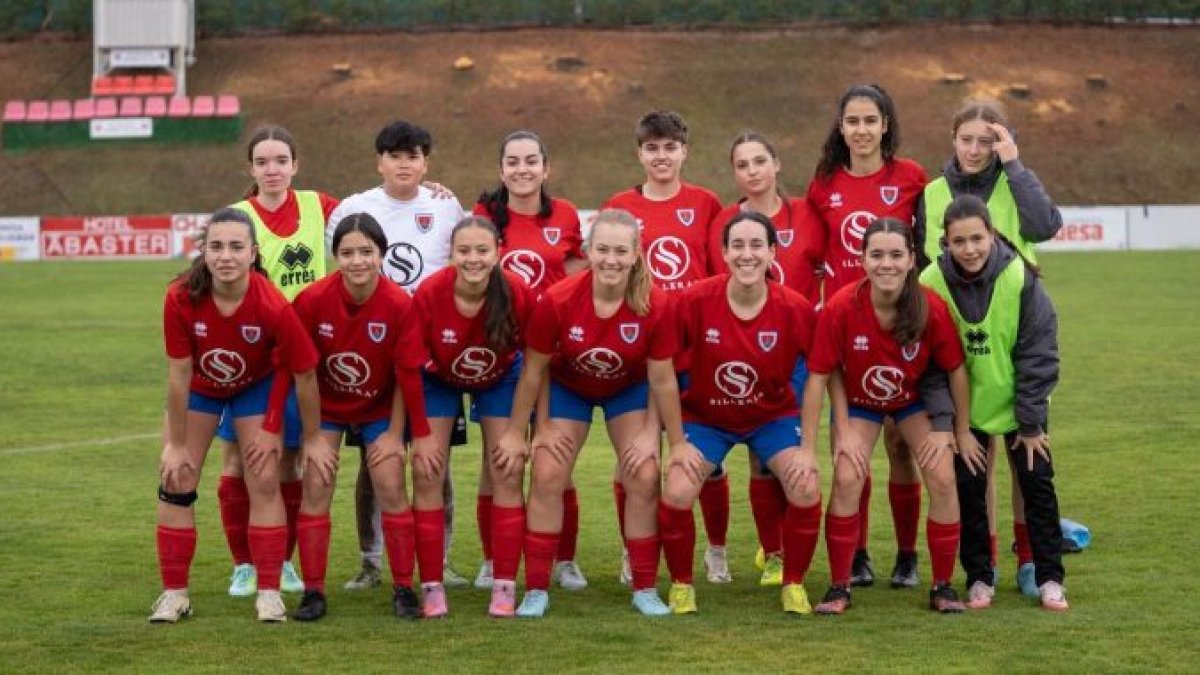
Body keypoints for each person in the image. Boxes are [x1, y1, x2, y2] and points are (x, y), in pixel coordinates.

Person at [494, 209, 685, 618]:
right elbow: (534, 370)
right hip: (569, 390)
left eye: (620, 250)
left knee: (645, 473)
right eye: (602, 250)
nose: (611, 259)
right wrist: (528, 429)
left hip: (627, 391)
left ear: (636, 253)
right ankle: (538, 589)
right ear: (588, 251)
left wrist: (660, 434)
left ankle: (645, 587)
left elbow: (663, 380)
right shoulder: (559, 299)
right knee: (546, 472)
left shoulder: (656, 303)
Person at [915, 100, 1064, 594]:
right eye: (967, 139)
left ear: (1002, 141)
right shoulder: (932, 193)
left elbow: (1044, 226)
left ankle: (1029, 561)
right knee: (977, 459)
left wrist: (1015, 163)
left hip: (1013, 324)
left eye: (987, 140)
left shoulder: (1013, 182)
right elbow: (923, 264)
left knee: (1026, 452)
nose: (976, 149)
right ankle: (988, 561)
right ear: (952, 139)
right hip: (956, 329)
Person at [151, 208, 326, 623]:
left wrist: (309, 435)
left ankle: (268, 592)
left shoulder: (272, 305)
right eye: (215, 246)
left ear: (252, 254)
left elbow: (304, 374)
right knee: (176, 477)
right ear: (203, 252)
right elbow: (179, 373)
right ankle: (174, 594)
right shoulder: (179, 297)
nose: (225, 256)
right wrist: (175, 445)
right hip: (201, 389)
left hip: (255, 388)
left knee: (263, 476)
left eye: (235, 247)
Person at [327, 120, 473, 592]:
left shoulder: (446, 205)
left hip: (434, 358)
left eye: (413, 155)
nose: (404, 163)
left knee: (435, 463)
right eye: (395, 155)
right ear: (379, 161)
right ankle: (371, 561)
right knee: (375, 462)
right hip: (373, 357)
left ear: (426, 162)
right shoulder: (355, 208)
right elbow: (346, 273)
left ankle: (440, 557)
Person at [801, 218, 974, 615]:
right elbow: (818, 378)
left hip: (911, 403)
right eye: (876, 255)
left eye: (896, 254)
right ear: (862, 259)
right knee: (847, 476)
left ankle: (943, 586)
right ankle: (840, 585)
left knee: (944, 476)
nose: (886, 264)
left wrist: (957, 430)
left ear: (912, 259)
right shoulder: (842, 306)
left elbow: (955, 369)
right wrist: (819, 443)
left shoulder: (929, 306)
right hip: (860, 403)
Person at [660, 211, 822, 614]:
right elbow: (660, 364)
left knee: (805, 486)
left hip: (772, 418)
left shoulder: (796, 308)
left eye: (756, 246)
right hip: (706, 419)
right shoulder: (693, 301)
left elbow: (819, 374)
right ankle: (682, 585)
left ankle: (793, 584)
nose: (746, 255)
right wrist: (676, 442)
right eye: (737, 246)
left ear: (772, 253)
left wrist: (809, 447)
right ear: (723, 253)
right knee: (677, 490)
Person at [806, 84, 929, 589]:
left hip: (900, 330)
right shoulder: (824, 184)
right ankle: (856, 555)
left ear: (885, 126)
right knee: (850, 449)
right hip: (845, 332)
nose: (861, 130)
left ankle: (905, 554)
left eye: (870, 120)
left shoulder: (911, 178)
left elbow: (926, 248)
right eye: (852, 121)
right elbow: (814, 256)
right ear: (841, 127)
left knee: (901, 446)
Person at [603, 110, 731, 585]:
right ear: (640, 153)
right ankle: (630, 550)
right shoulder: (620, 204)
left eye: (669, 147)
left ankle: (716, 552)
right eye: (652, 148)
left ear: (684, 152)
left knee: (703, 461)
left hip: (693, 352)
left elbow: (720, 272)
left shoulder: (705, 203)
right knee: (635, 460)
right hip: (638, 353)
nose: (661, 156)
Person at [289, 213, 432, 621]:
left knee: (389, 482)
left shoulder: (399, 303)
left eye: (366, 252)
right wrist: (313, 435)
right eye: (348, 252)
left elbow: (407, 375)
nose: (357, 261)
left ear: (382, 254)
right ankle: (313, 592)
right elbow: (302, 372)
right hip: (327, 407)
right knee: (317, 482)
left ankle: (404, 587)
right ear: (336, 256)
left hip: (380, 408)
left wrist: (396, 433)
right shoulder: (314, 300)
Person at [217, 125, 340, 599]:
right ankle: (243, 565)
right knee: (237, 460)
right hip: (252, 359)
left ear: (295, 164)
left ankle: (282, 562)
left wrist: (427, 190)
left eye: (280, 160)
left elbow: (380, 216)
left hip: (304, 358)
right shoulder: (238, 218)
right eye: (263, 162)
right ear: (251, 168)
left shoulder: (321, 206)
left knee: (288, 461)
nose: (272, 169)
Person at [472, 130, 588, 591]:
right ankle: (491, 559)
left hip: (554, 355)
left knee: (555, 458)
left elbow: (577, 273)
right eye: (513, 162)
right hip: (503, 353)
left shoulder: (565, 215)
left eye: (531, 161)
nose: (522, 169)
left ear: (546, 168)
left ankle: (564, 559)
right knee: (497, 458)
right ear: (501, 170)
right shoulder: (485, 216)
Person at [711, 131, 825, 587]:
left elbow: (829, 266)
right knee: (759, 458)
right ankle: (773, 552)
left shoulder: (808, 216)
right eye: (743, 164)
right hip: (738, 354)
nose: (753, 171)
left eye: (761, 160)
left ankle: (782, 549)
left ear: (776, 163)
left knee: (787, 457)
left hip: (795, 356)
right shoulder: (723, 220)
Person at [411, 216, 537, 618]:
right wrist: (422, 433)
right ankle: (431, 586)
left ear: (498, 251)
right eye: (464, 251)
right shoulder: (430, 292)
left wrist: (519, 430)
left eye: (482, 250)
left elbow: (536, 363)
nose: (473, 259)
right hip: (437, 378)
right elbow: (409, 364)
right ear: (450, 254)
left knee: (508, 469)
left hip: (500, 376)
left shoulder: (516, 292)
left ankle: (503, 584)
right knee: (428, 471)